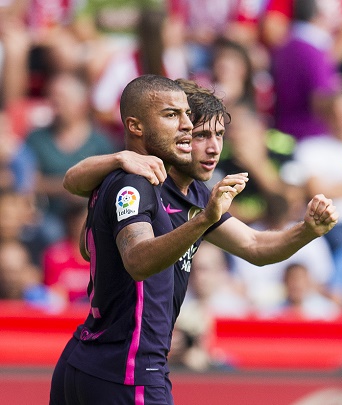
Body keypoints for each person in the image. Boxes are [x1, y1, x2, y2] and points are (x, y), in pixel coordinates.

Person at [49, 74, 247, 405]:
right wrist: (202, 223)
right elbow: (137, 260)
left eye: (217, 135)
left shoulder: (179, 189)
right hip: (129, 370)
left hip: (85, 358)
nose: (186, 129)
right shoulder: (138, 181)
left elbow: (257, 248)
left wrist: (308, 228)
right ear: (138, 125)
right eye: (177, 119)